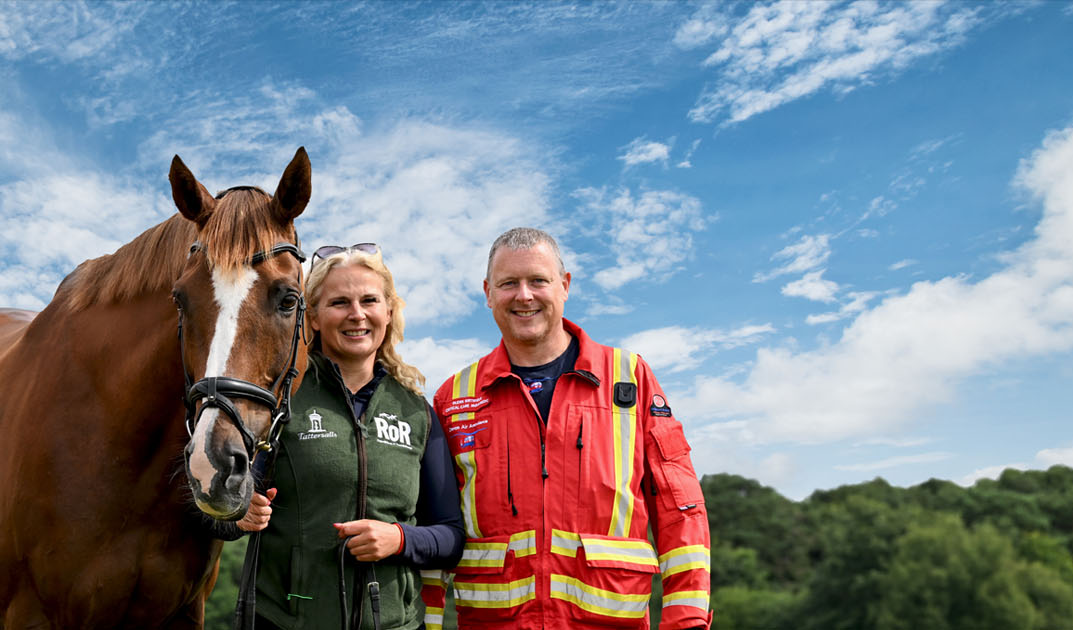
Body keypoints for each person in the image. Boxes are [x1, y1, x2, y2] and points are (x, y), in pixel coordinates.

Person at [424, 227, 710, 629]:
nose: (524, 295)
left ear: (565, 285)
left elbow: (680, 509)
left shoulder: (629, 379)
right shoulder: (453, 398)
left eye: (538, 280)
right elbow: (434, 525)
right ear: (488, 292)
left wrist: (688, 621)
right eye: (509, 283)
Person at [222, 242, 465, 630]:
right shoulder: (281, 398)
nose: (357, 315)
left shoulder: (418, 413)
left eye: (369, 300)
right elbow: (218, 512)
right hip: (283, 621)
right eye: (339, 303)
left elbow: (451, 538)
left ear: (388, 311)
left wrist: (399, 539)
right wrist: (240, 512)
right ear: (313, 316)